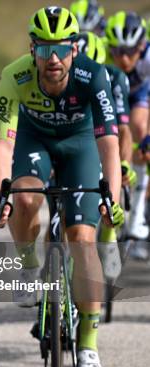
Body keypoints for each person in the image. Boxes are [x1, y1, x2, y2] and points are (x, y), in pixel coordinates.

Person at [0, 7, 124, 367]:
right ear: (32, 50)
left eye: (61, 49)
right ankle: (30, 265)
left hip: (80, 146)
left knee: (82, 239)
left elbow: (109, 143)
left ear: (74, 49)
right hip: (34, 142)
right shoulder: (14, 76)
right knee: (25, 198)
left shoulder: (92, 76)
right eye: (44, 49)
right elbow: (1, 146)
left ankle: (88, 347)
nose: (53, 59)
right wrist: (3, 193)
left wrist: (110, 194)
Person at [77, 31, 135, 277]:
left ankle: (109, 238)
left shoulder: (114, 77)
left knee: (115, 175)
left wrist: (124, 164)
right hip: (77, 140)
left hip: (104, 136)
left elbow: (123, 129)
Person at [105, 11, 150, 254]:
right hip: (112, 95)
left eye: (130, 51)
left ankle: (137, 219)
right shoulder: (102, 54)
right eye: (117, 50)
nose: (123, 58)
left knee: (140, 129)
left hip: (141, 96)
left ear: (141, 46)